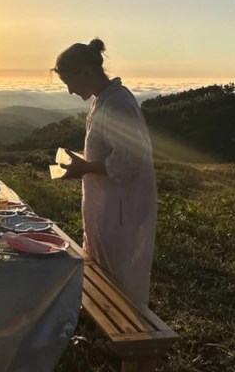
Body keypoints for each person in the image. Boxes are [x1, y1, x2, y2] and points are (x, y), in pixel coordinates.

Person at [52, 38, 157, 308]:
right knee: (104, 268)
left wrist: (84, 167)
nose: (70, 91)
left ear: (86, 72)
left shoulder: (117, 104)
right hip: (108, 205)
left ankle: (130, 333)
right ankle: (104, 328)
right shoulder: (104, 100)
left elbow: (130, 159)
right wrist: (81, 162)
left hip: (122, 208)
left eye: (69, 82)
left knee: (121, 274)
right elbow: (110, 151)